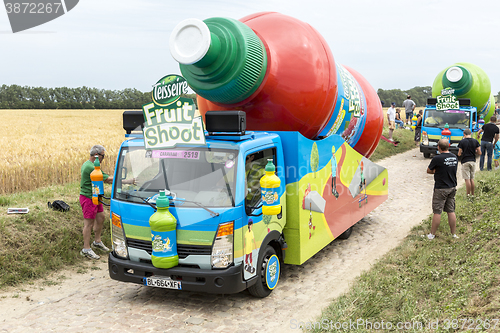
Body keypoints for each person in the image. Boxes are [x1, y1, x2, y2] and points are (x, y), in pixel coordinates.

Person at [79, 145, 135, 259]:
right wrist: (128, 181)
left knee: (101, 217)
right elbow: (108, 179)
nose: (103, 158)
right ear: (96, 155)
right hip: (88, 198)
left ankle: (97, 241)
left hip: (96, 196)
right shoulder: (90, 167)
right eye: (103, 156)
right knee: (88, 223)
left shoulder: (93, 165)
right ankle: (86, 249)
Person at [426, 139, 458, 240]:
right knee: (451, 211)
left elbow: (429, 170)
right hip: (452, 187)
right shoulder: (454, 157)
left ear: (438, 147)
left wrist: (436, 170)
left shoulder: (437, 158)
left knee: (437, 212)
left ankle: (432, 234)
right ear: (448, 146)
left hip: (441, 188)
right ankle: (453, 234)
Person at [457, 128, 481, 198]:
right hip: (473, 161)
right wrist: (475, 151)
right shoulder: (475, 141)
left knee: (467, 179)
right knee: (472, 179)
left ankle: (468, 195)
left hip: (465, 161)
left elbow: (459, 153)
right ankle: (473, 194)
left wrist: (461, 153)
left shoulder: (462, 142)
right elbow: (480, 152)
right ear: (471, 134)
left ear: (464, 134)